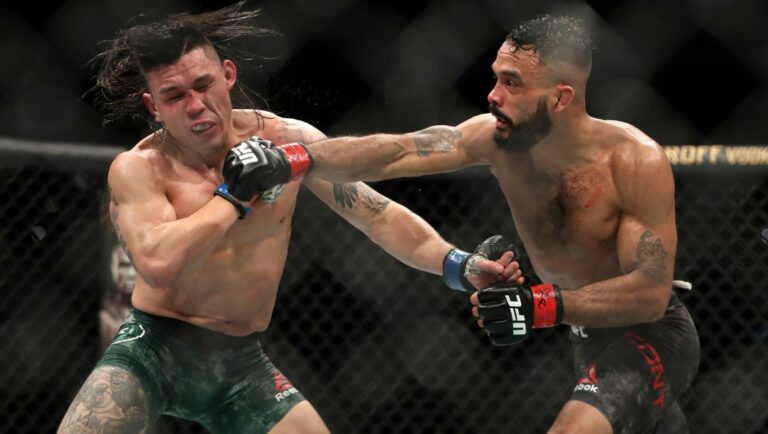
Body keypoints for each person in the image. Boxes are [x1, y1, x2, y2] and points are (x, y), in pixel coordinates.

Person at [56, 4, 518, 433]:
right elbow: (158, 261)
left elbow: (376, 216)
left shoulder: (286, 142)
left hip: (241, 363)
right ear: (153, 106)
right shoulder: (139, 168)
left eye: (203, 85)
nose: (195, 105)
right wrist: (235, 199)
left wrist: (458, 264)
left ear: (228, 76)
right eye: (174, 96)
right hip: (154, 349)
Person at [238, 14, 701, 434]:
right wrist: (294, 159)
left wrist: (537, 305)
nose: (493, 96)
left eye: (512, 83)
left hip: (654, 334)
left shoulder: (633, 160)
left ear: (561, 98)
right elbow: (398, 150)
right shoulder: (496, 140)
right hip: (583, 335)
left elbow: (649, 293)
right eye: (496, 78)